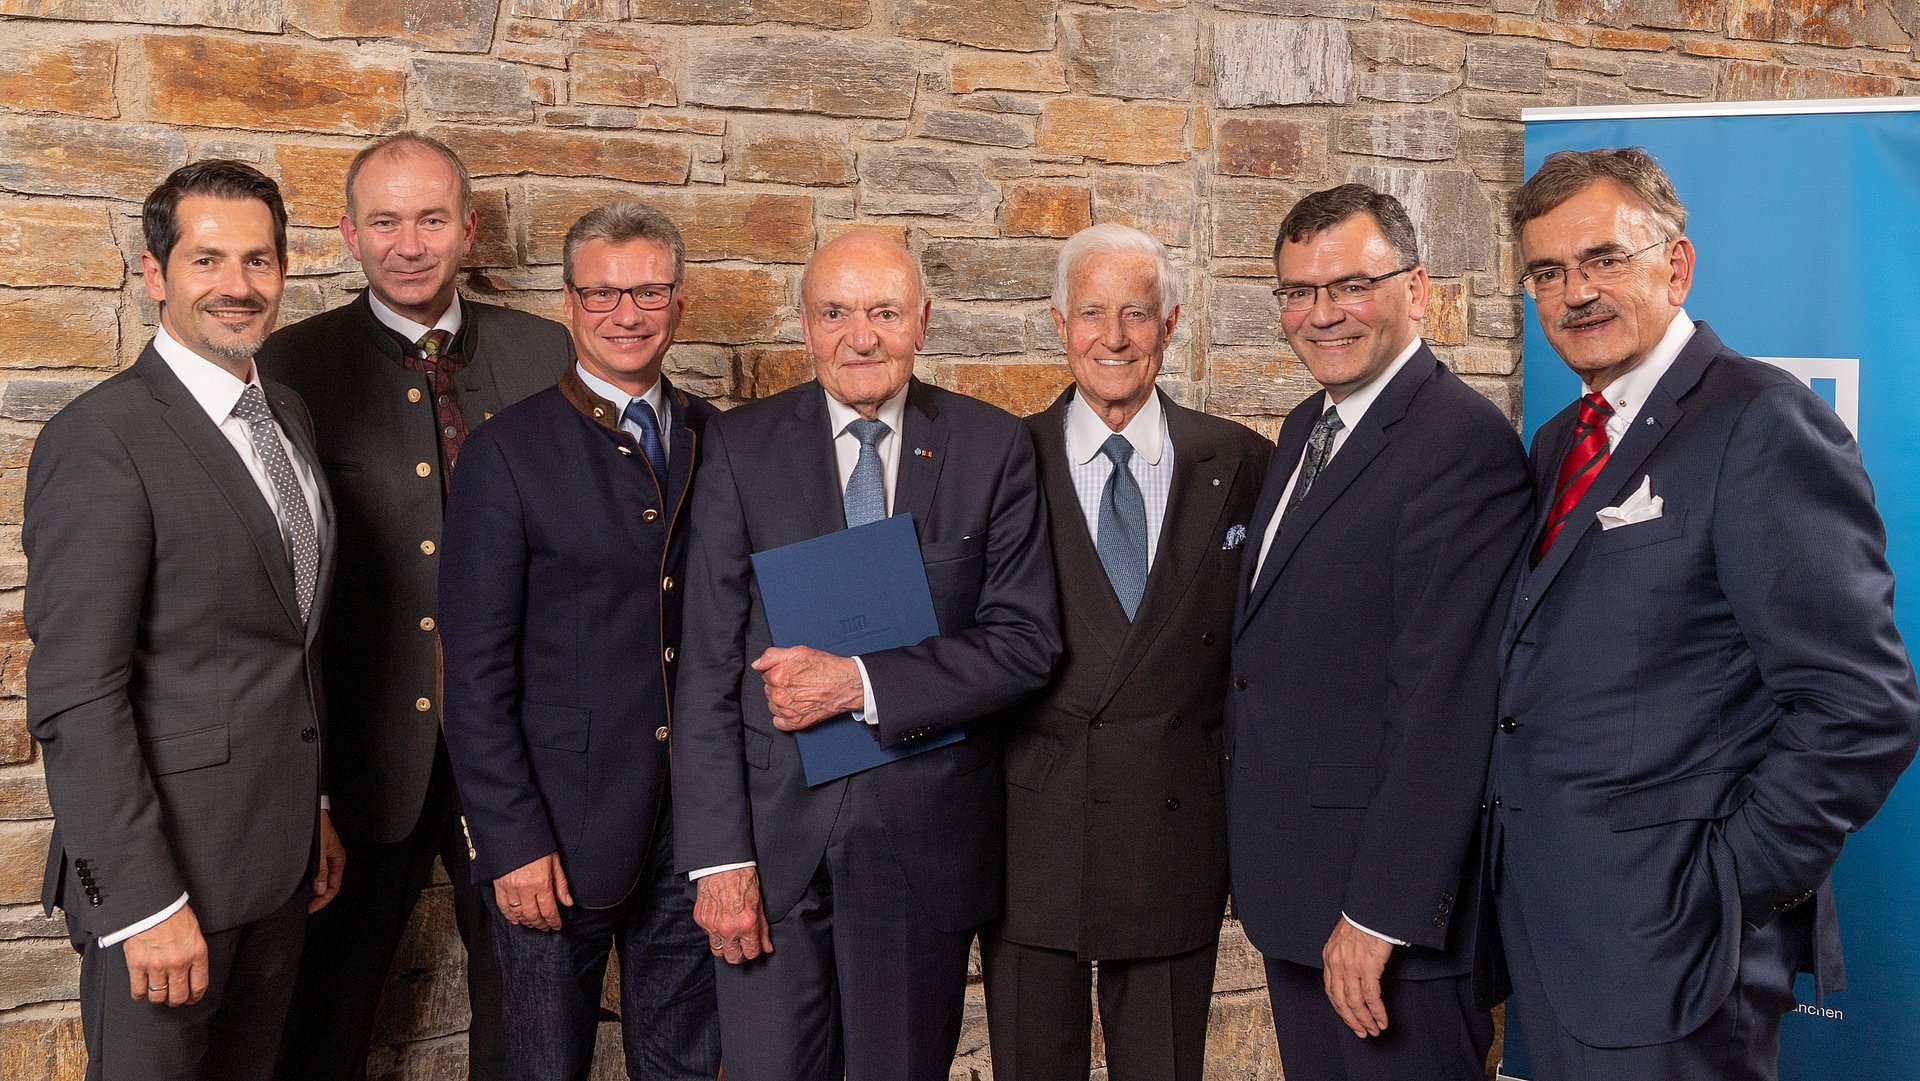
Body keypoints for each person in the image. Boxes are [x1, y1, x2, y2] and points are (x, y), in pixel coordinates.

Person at [1481, 147, 1920, 1080]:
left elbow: (1863, 705)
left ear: (1676, 265)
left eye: (1604, 259)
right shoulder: (1564, 437)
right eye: (1549, 272)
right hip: (1554, 935)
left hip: (1673, 953)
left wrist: (1720, 887)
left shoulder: (1762, 419)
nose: (1575, 293)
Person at [672, 230, 1061, 1081]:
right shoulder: (739, 448)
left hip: (919, 845)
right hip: (770, 854)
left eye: (885, 312)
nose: (861, 335)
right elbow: (704, 666)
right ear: (805, 329)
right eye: (836, 313)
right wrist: (719, 858)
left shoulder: (993, 447)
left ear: (922, 321)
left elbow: (1026, 643)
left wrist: (859, 683)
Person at [256, 131, 569, 1081]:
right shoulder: (287, 366)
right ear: (349, 234)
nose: (409, 242)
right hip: (357, 764)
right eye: (384, 220)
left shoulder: (547, 350)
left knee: (532, 1025)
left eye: (432, 218)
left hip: (524, 760)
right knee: (322, 1025)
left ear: (468, 228)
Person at [24, 159, 342, 1079]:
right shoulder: (100, 439)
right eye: (207, 261)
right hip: (168, 891)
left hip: (275, 865)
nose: (237, 286)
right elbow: (78, 695)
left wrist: (313, 801)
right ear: (156, 273)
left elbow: (289, 634)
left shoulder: (285, 412)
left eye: (258, 259)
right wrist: (141, 903)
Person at [1229, 183, 1532, 1080]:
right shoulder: (1306, 427)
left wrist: (1381, 912)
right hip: (1304, 893)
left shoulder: (1459, 446)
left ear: (1418, 291)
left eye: (1349, 286)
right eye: (1297, 292)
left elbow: (1449, 702)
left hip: (1386, 925)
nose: (1321, 315)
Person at [437, 201, 720, 1080]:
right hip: (552, 834)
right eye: (601, 294)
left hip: (692, 834)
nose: (625, 314)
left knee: (681, 1064)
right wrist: (509, 839)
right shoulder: (505, 452)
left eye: (646, 291)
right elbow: (471, 670)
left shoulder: (721, 438)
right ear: (567, 304)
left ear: (679, 303)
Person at [981, 223, 1270, 1081]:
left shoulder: (1245, 462)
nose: (1114, 338)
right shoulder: (1003, 461)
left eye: (1136, 315)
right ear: (1059, 323)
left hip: (1175, 837)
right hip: (1030, 835)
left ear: (1171, 324)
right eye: (1093, 314)